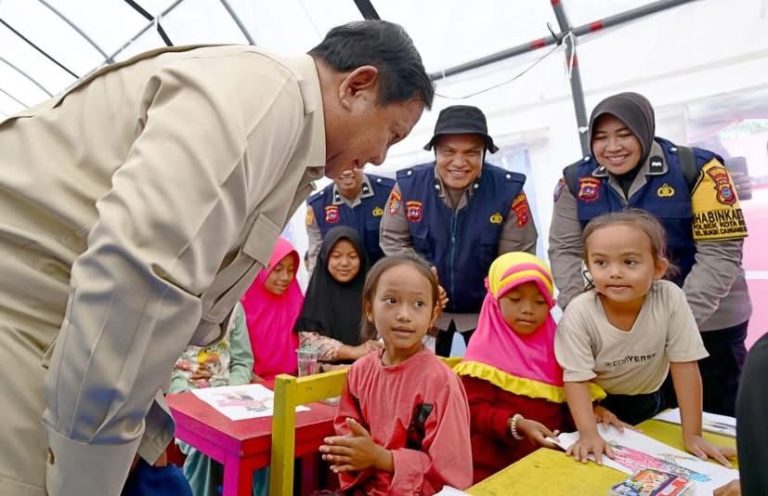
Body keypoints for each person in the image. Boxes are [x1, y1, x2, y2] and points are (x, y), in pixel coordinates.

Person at [0, 19, 433, 496]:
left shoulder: (280, 125)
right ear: (357, 86)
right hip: (28, 338)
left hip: (64, 349)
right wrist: (88, 481)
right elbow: (136, 288)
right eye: (390, 135)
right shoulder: (263, 103)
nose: (377, 157)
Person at [549, 91, 751, 417]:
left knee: (716, 421)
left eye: (624, 134)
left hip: (709, 323)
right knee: (647, 424)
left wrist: (674, 325)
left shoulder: (699, 169)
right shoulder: (575, 180)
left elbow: (720, 254)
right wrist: (583, 315)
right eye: (601, 138)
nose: (612, 147)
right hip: (622, 333)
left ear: (645, 130)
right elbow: (564, 249)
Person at [554, 210, 736, 467]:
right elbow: (576, 381)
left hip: (649, 400)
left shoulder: (670, 298)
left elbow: (684, 365)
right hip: (591, 408)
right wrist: (588, 434)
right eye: (601, 263)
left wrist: (693, 435)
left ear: (658, 268)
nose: (614, 272)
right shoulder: (580, 311)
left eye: (629, 262)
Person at [380, 105, 537, 356]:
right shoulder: (408, 186)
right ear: (435, 151)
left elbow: (516, 260)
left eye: (472, 153)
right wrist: (422, 278)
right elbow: (392, 240)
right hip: (424, 311)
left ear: (484, 153)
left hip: (487, 313)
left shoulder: (509, 191)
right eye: (448, 152)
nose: (459, 162)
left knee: (491, 383)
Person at [319, 254, 473, 494]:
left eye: (418, 304)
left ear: (433, 315)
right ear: (369, 309)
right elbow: (347, 436)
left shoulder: (441, 383)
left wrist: (382, 458)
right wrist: (352, 451)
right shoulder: (360, 372)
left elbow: (450, 476)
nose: (404, 315)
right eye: (391, 300)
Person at [454, 252, 605, 483]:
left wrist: (592, 413)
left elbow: (567, 400)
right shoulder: (483, 353)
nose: (528, 309)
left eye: (540, 301)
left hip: (549, 464)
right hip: (493, 468)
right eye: (515, 299)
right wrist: (516, 424)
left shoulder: (558, 347)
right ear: (495, 301)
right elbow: (473, 411)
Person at [169, 303, 265, 496]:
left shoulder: (234, 306)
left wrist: (232, 393)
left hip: (229, 396)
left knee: (263, 441)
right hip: (187, 398)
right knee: (204, 444)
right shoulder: (177, 304)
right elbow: (166, 362)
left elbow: (242, 360)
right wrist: (182, 393)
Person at [296, 226, 382, 368]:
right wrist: (352, 351)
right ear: (325, 258)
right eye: (336, 256)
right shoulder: (317, 293)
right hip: (327, 377)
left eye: (352, 256)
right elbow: (308, 344)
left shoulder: (373, 292)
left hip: (371, 372)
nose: (344, 263)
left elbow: (386, 331)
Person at [305, 167, 395, 272]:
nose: (347, 171)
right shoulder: (317, 206)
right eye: (340, 165)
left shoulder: (388, 192)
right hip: (343, 283)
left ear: (363, 163)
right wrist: (314, 286)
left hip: (382, 277)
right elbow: (316, 255)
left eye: (353, 165)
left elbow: (399, 243)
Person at [241, 237, 303, 382]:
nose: (285, 277)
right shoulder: (241, 303)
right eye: (277, 269)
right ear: (260, 267)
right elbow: (234, 357)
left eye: (291, 270)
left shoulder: (296, 299)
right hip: (251, 385)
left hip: (293, 383)